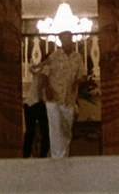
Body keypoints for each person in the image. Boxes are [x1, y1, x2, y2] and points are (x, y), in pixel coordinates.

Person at [34, 30, 86, 158]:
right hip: (53, 97)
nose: (67, 41)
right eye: (64, 39)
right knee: (55, 128)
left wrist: (78, 81)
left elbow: (82, 74)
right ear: (61, 41)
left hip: (69, 99)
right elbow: (44, 74)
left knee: (66, 129)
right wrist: (47, 90)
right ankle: (57, 157)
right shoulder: (54, 56)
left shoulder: (78, 57)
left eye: (69, 38)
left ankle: (62, 155)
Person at [22, 58, 50, 157]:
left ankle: (27, 156)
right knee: (44, 132)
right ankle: (41, 156)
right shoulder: (44, 69)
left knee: (31, 132)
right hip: (37, 103)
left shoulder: (41, 70)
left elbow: (31, 68)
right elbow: (31, 68)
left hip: (31, 103)